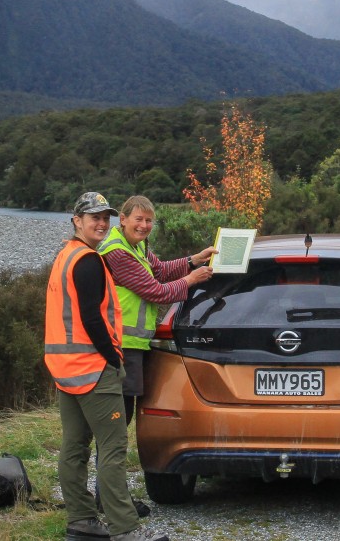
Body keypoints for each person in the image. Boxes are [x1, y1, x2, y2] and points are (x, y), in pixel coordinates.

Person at [44, 192, 169, 541]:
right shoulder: (89, 261)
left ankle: (81, 523)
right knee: (112, 451)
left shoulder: (66, 256)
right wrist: (113, 359)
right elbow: (91, 319)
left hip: (66, 369)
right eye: (93, 217)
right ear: (76, 221)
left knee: (74, 448)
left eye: (105, 217)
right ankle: (126, 530)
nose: (101, 223)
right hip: (95, 369)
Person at [95, 195, 216, 515]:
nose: (144, 226)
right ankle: (111, 501)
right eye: (139, 220)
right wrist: (192, 280)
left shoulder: (137, 248)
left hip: (131, 348)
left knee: (118, 425)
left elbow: (160, 270)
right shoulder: (117, 252)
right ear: (122, 219)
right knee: (115, 428)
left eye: (149, 221)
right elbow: (155, 290)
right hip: (119, 348)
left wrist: (194, 259)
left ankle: (108, 498)